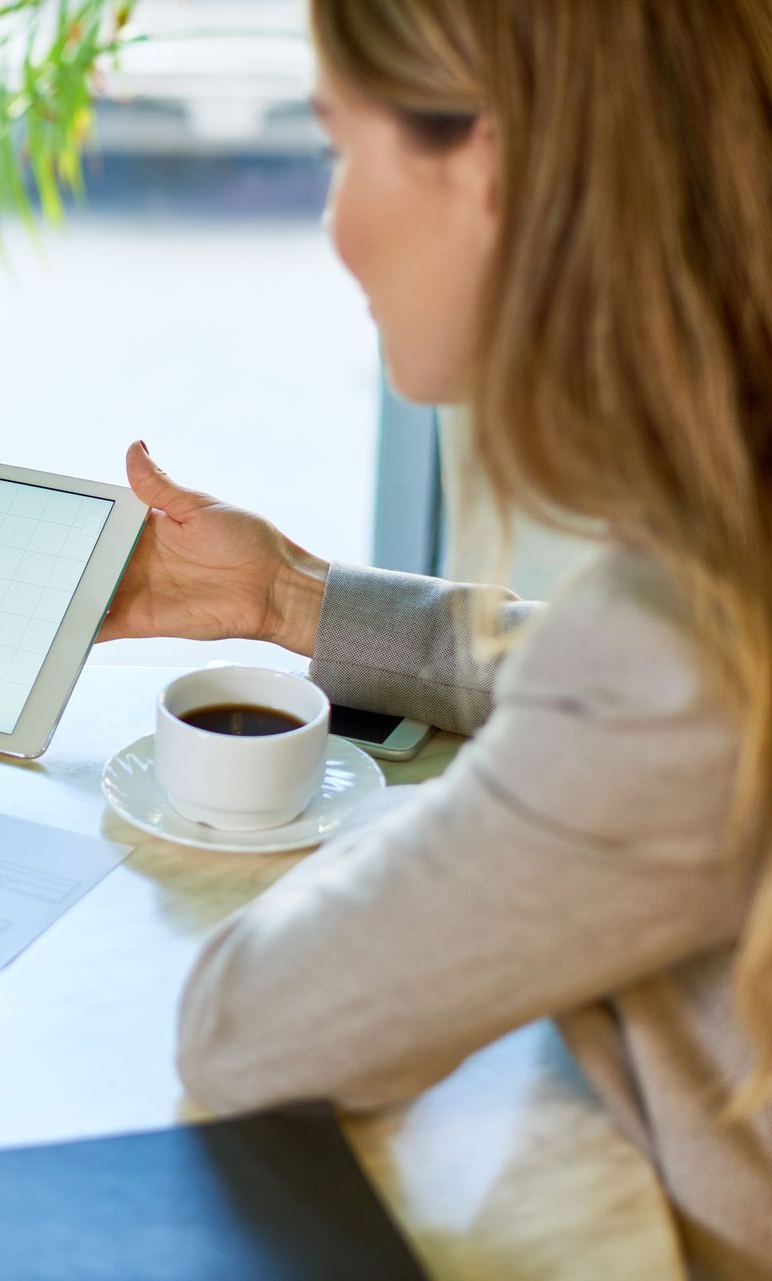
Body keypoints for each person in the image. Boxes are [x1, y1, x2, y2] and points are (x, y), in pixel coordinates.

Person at [95, 1, 772, 1275]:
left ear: (494, 169)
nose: (337, 224)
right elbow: (600, 668)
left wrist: (478, 830)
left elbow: (246, 1034)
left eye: (342, 148)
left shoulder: (671, 661)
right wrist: (289, 596)